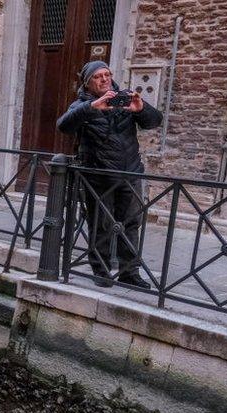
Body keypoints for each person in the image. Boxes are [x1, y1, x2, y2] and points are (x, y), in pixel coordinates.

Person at [57, 60, 163, 289]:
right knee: (101, 225)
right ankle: (102, 270)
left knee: (131, 223)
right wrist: (92, 107)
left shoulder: (124, 98)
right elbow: (63, 127)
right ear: (87, 83)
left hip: (130, 173)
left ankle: (129, 272)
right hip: (98, 175)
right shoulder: (82, 105)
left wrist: (142, 109)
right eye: (98, 76)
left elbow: (155, 121)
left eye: (107, 74)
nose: (104, 79)